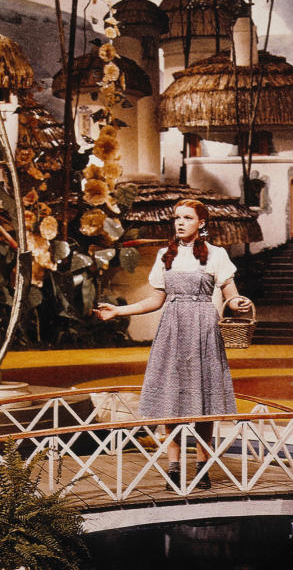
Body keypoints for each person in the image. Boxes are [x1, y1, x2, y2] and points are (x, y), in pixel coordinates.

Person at [96, 199, 251, 490]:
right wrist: (119, 311)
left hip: (204, 329)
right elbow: (156, 299)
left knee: (204, 403)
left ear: (201, 223)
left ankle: (202, 469)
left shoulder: (217, 255)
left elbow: (231, 294)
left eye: (187, 218)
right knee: (171, 401)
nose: (180, 223)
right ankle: (174, 469)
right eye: (177, 218)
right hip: (172, 330)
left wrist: (237, 302)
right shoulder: (165, 254)